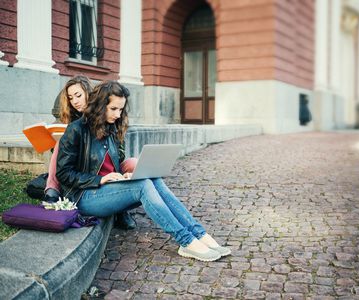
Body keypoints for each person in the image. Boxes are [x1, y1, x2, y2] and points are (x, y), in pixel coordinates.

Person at [56, 81, 231, 261]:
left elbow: (113, 165)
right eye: (113, 109)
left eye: (121, 110)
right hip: (84, 197)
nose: (118, 114)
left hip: (107, 191)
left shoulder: (109, 128)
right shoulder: (76, 130)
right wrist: (99, 180)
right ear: (100, 106)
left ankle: (199, 234)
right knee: (142, 186)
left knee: (152, 179)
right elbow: (63, 174)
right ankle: (186, 242)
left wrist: (125, 177)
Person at [45, 76, 138, 229]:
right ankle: (52, 190)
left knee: (135, 164)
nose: (75, 101)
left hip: (110, 165)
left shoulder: (109, 114)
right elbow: (67, 163)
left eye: (78, 95)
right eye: (71, 97)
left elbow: (120, 153)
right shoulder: (75, 123)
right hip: (87, 171)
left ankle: (122, 209)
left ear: (89, 94)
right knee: (58, 144)